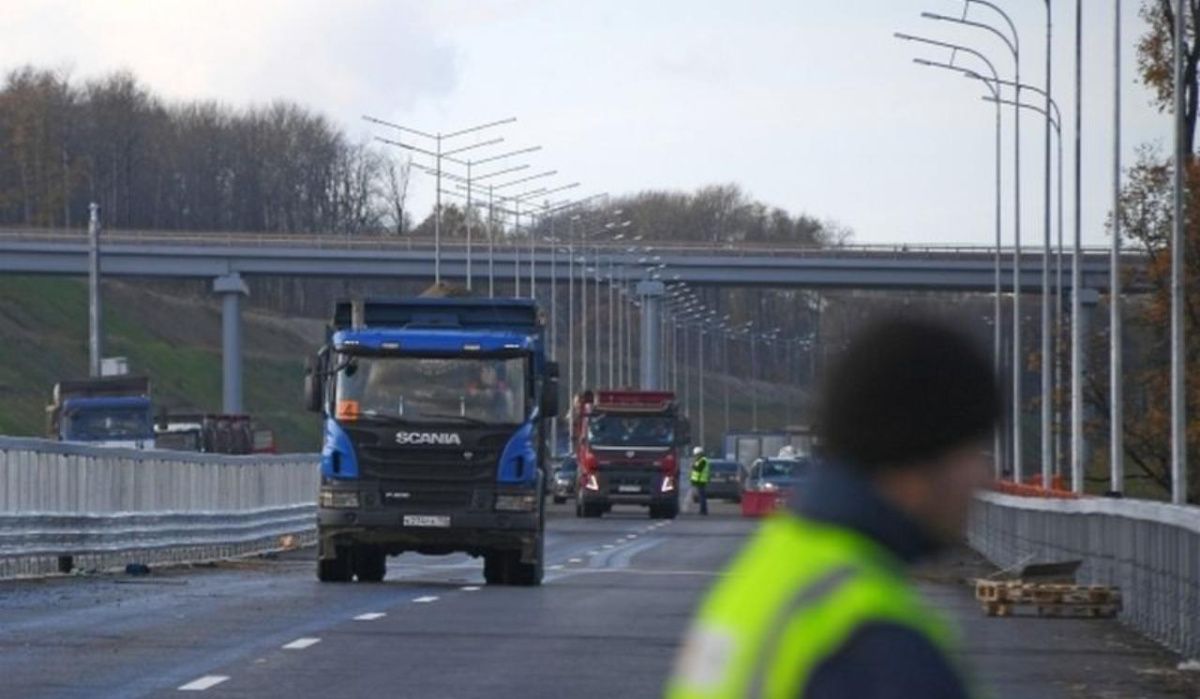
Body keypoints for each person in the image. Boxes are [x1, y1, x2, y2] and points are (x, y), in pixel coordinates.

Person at [666, 317, 999, 699]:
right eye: (970, 451)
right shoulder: (876, 645)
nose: (981, 477)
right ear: (915, 461)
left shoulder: (772, 573)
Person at [689, 447, 710, 516]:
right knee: (701, 497)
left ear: (699, 454)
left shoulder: (703, 460)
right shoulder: (700, 460)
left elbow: (699, 469)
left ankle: (703, 511)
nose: (696, 456)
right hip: (699, 481)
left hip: (701, 481)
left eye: (696, 454)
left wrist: (693, 466)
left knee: (702, 497)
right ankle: (703, 510)